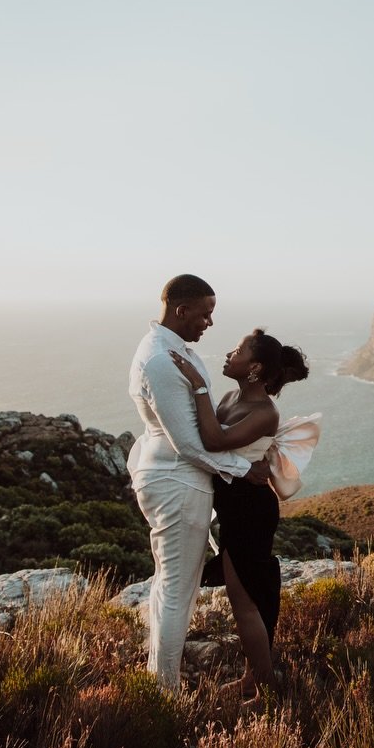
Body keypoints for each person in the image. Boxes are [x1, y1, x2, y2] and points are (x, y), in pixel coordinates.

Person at [126, 274, 269, 689]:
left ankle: (159, 679)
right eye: (204, 314)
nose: (209, 322)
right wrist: (246, 469)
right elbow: (189, 443)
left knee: (168, 586)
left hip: (172, 479)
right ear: (180, 309)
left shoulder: (169, 351)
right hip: (177, 484)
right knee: (177, 594)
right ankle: (164, 695)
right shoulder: (161, 361)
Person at [169, 327, 320, 701]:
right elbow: (216, 446)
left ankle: (265, 686)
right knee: (246, 597)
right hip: (232, 507)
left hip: (251, 511)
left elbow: (214, 441)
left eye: (238, 350)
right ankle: (255, 677)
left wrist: (196, 385)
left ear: (254, 368)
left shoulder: (265, 412)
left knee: (245, 601)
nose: (228, 354)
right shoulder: (230, 396)